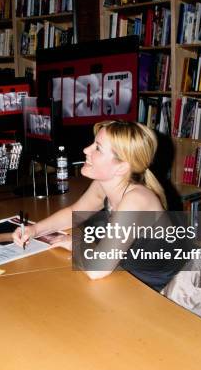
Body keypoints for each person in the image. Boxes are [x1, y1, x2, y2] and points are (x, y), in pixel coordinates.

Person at [12, 120, 186, 291]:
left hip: (163, 293)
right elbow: (74, 212)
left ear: (121, 167)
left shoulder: (137, 200)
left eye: (98, 148)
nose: (86, 150)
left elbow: (97, 269)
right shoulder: (106, 183)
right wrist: (34, 230)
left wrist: (74, 243)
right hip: (131, 279)